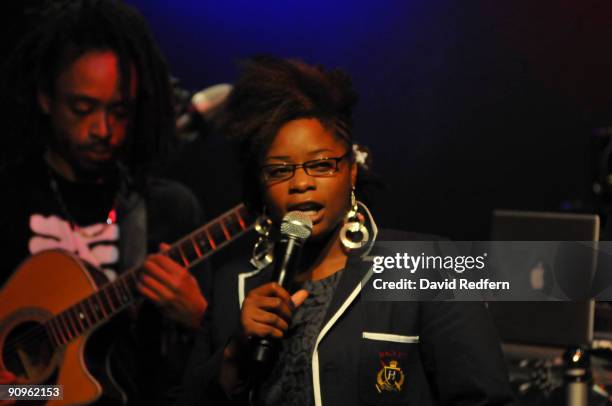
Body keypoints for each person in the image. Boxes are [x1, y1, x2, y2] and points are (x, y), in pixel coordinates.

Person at [177, 55, 515, 406]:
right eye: (280, 170)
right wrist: (234, 354)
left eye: (321, 164)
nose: (301, 183)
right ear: (260, 186)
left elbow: (484, 399)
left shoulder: (428, 266)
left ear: (351, 172)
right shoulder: (233, 286)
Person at [0, 1, 207, 404]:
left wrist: (199, 318)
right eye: (82, 108)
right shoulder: (7, 198)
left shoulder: (168, 210)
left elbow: (218, 374)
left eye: (119, 111)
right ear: (46, 97)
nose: (103, 129)